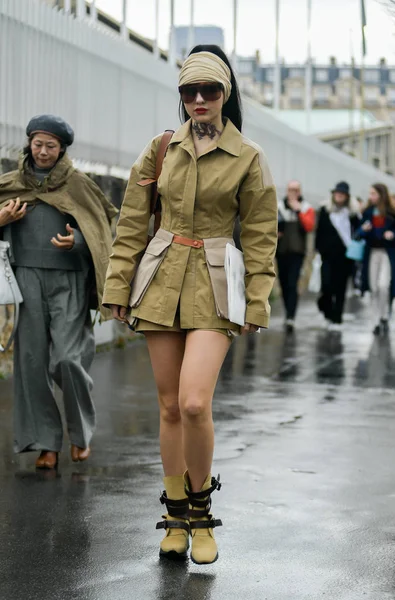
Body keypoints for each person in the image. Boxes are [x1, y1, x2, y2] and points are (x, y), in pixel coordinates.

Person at [102, 45, 277, 565]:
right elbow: (132, 221)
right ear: (180, 96)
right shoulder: (159, 149)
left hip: (218, 284)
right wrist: (116, 287)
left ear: (226, 94)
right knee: (171, 406)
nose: (199, 100)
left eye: (210, 90)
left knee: (196, 402)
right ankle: (174, 515)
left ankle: (202, 516)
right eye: (189, 91)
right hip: (160, 278)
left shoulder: (248, 156)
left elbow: (262, 235)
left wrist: (258, 300)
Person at [0, 114, 118, 469]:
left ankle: (80, 434)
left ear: (62, 149)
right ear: (29, 144)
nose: (43, 151)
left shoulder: (79, 186)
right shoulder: (10, 184)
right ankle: (45, 444)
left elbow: (102, 228)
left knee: (68, 359)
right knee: (31, 364)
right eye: (38, 144)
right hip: (25, 278)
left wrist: (78, 241)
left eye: (51, 146)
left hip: (68, 282)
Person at [315, 181, 361, 331]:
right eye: (337, 193)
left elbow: (357, 232)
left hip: (345, 257)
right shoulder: (325, 210)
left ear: (347, 196)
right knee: (326, 286)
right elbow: (319, 231)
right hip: (327, 256)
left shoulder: (353, 214)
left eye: (342, 194)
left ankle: (337, 319)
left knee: (340, 288)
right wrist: (318, 250)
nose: (339, 196)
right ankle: (327, 313)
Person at [358, 183, 395, 335]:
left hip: (387, 253)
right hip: (372, 253)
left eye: (373, 193)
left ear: (381, 195)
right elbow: (359, 232)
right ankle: (376, 320)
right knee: (373, 287)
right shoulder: (368, 212)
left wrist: (392, 234)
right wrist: (364, 230)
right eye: (370, 194)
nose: (371, 197)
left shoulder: (392, 213)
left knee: (383, 286)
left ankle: (384, 316)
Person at [277, 180, 315, 332]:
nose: (293, 193)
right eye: (290, 189)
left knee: (293, 284)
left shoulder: (306, 208)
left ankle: (291, 316)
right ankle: (287, 311)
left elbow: (309, 226)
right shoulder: (279, 206)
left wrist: (298, 211)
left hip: (297, 253)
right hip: (281, 252)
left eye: (296, 190)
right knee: (284, 283)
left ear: (300, 191)